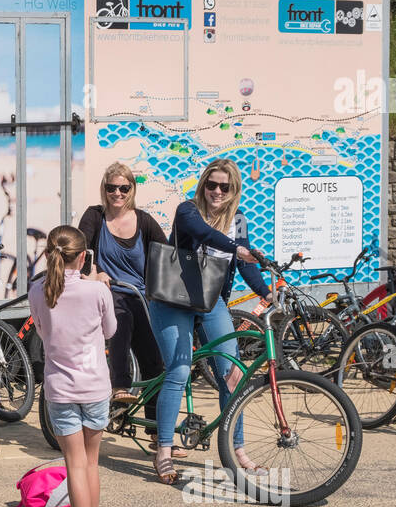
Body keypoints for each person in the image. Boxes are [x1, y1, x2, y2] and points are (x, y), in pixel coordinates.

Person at [148, 159, 274, 484]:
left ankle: (237, 451)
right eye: (211, 184)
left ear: (234, 190)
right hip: (174, 298)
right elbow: (204, 234)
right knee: (178, 370)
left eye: (224, 187)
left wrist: (267, 292)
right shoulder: (188, 210)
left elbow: (245, 264)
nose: (217, 192)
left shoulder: (239, 220)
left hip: (210, 299)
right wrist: (236, 249)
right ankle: (163, 451)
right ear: (203, 184)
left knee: (232, 374)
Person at [28, 225, 116, 507]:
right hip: (95, 386)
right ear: (83, 257)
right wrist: (96, 282)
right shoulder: (97, 292)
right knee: (91, 464)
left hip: (61, 390)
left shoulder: (38, 291)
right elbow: (110, 331)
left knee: (74, 465)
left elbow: (40, 329)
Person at [76, 163, 168, 426]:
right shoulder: (95, 216)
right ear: (104, 189)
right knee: (120, 317)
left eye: (123, 188)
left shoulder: (145, 221)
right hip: (106, 292)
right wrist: (96, 271)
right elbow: (80, 250)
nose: (117, 193)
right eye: (111, 188)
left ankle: (154, 430)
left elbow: (166, 256)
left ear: (132, 189)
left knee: (154, 361)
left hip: (140, 295)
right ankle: (120, 386)